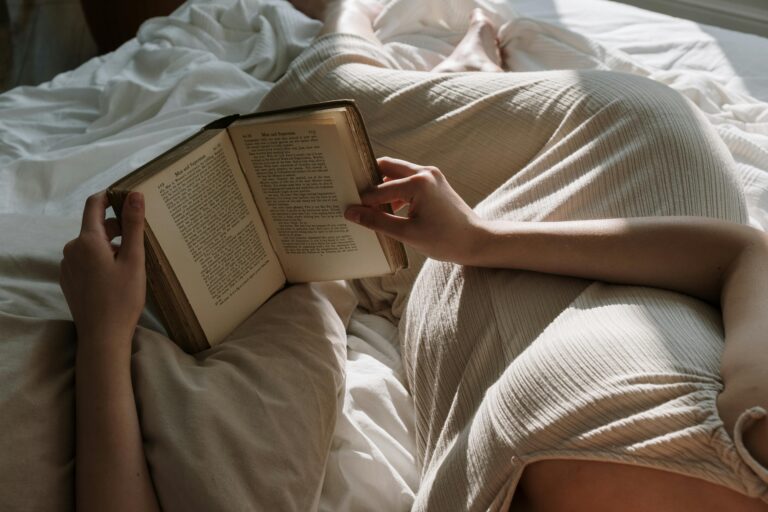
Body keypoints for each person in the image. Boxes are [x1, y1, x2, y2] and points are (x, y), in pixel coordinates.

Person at [60, 1, 768, 511]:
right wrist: (478, 240)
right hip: (622, 170)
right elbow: (747, 255)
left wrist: (104, 333)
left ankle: (464, 76)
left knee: (310, 204)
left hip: (463, 289)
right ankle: (353, 17)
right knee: (309, 110)